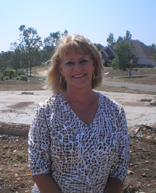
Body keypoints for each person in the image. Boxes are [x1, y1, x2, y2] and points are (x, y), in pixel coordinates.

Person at [28, 34, 130, 193]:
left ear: (94, 66)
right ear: (61, 69)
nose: (77, 68)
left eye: (83, 61)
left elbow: (120, 167)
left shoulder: (115, 112)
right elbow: (38, 168)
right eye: (69, 63)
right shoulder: (45, 112)